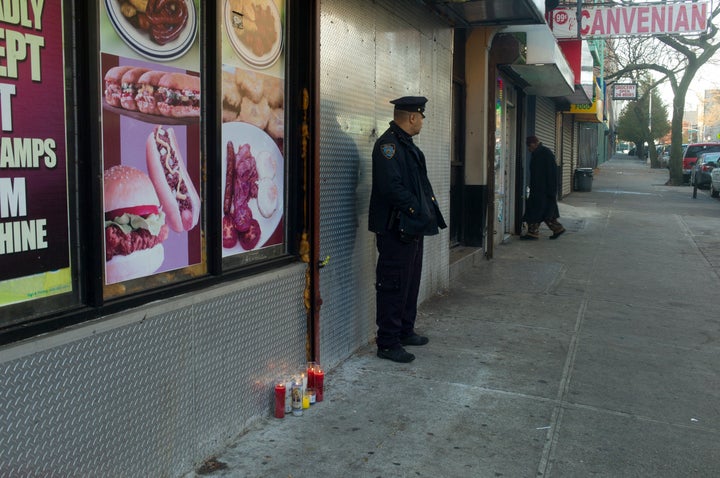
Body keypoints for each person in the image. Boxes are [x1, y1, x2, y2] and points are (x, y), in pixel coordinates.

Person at [368, 96, 447, 363]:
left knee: (410, 281)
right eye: (421, 116)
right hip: (395, 228)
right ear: (412, 116)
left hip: (411, 227)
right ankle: (388, 342)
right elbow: (391, 188)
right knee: (393, 283)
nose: (423, 121)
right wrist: (417, 210)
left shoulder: (407, 146)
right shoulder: (388, 146)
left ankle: (404, 330)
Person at [521, 136, 566, 240]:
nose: (528, 149)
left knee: (537, 211)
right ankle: (556, 229)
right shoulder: (539, 153)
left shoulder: (544, 153)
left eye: (529, 146)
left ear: (533, 144)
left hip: (543, 190)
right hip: (540, 189)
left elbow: (551, 173)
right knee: (543, 212)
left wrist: (551, 190)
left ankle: (533, 232)